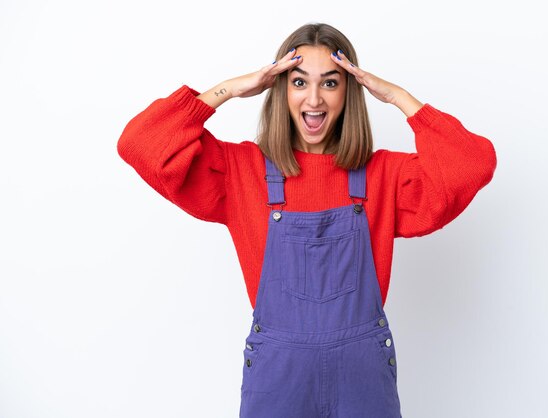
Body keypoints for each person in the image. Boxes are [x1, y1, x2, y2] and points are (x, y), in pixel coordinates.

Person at [117, 22, 496, 418]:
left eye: (330, 84)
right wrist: (230, 89)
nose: (314, 98)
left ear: (349, 92)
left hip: (361, 377)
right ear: (279, 89)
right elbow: (140, 144)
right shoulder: (240, 172)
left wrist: (398, 98)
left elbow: (473, 164)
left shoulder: (384, 176)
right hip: (278, 379)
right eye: (299, 82)